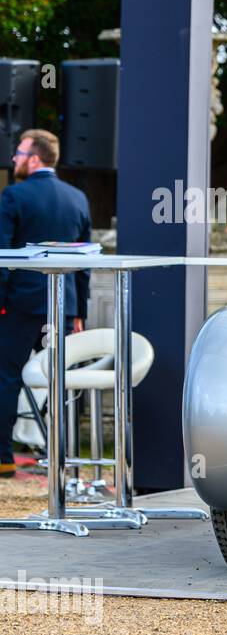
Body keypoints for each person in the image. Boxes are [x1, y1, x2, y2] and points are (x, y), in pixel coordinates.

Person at [0, 129, 89, 479]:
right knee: (62, 381)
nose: (14, 160)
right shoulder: (78, 198)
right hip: (63, 305)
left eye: (19, 153)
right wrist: (79, 309)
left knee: (5, 378)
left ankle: (4, 458)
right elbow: (85, 262)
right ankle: (61, 455)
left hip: (20, 303)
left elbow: (4, 257)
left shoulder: (14, 196)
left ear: (34, 158)